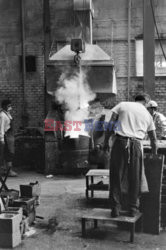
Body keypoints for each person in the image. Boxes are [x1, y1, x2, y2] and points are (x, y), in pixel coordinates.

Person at [103, 94, 157, 217]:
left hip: (120, 142)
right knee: (135, 177)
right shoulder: (147, 114)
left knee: (116, 175)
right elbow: (154, 139)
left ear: (135, 100)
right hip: (136, 144)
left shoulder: (122, 105)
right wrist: (154, 154)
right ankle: (133, 208)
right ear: (146, 102)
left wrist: (106, 142)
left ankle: (115, 208)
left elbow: (110, 125)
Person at [0, 99, 18, 177]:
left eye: (10, 106)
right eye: (8, 106)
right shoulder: (2, 115)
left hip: (10, 136)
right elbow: (1, 128)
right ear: (4, 106)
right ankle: (9, 171)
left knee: (8, 153)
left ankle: (5, 170)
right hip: (6, 136)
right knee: (9, 153)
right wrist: (2, 139)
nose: (10, 107)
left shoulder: (7, 113)